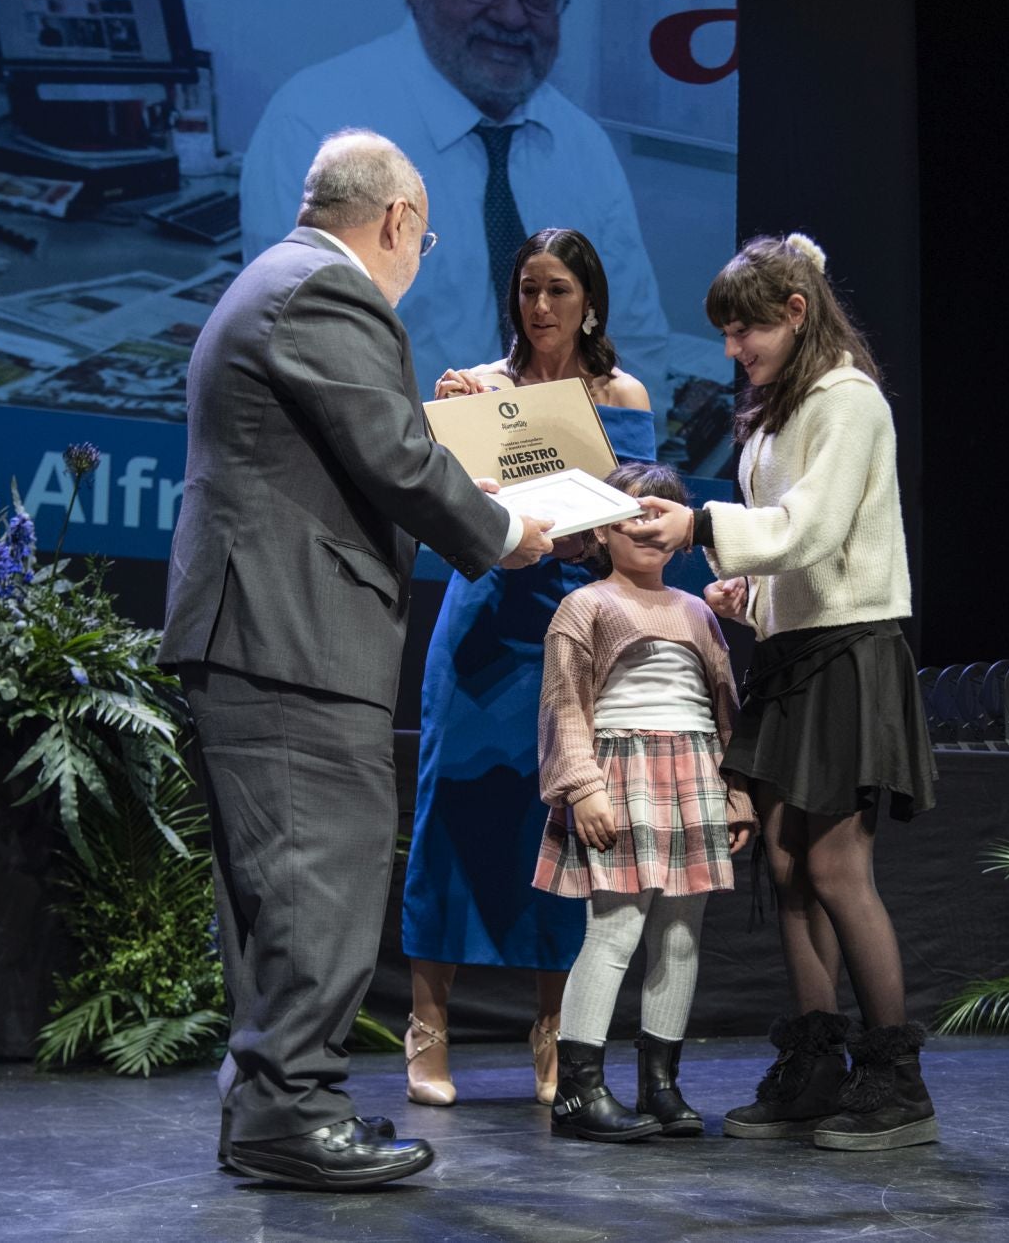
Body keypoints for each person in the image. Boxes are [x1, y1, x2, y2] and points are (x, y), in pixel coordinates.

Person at [159, 129, 555, 1191]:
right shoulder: (328, 294)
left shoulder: (279, 285)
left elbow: (355, 437)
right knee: (313, 875)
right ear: (396, 222)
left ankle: (273, 1106)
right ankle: (292, 1106)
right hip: (289, 635)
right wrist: (505, 530)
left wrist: (440, 432)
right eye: (420, 247)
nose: (415, 267)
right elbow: (390, 457)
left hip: (265, 631)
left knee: (280, 884)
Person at [625, 233, 940, 1152]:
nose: (732, 348)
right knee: (786, 863)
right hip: (795, 651)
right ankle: (815, 1064)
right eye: (725, 333)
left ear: (795, 313)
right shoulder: (777, 409)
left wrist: (701, 525)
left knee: (838, 867)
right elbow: (790, 554)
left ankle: (897, 1083)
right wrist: (748, 596)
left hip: (850, 654)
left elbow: (814, 527)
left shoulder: (849, 401)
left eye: (743, 330)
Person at [401, 227, 655, 1108]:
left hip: (569, 621)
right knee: (450, 813)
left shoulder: (622, 392)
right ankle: (427, 1030)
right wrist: (448, 430)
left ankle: (555, 1033)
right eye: (528, 292)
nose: (540, 308)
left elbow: (636, 508)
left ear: (590, 303)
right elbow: (440, 503)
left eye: (558, 292)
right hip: (483, 618)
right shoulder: (481, 388)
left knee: (560, 829)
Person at [238, 0, 673, 418]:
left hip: (565, 472)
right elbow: (304, 350)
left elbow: (635, 339)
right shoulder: (310, 122)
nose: (511, 15)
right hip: (390, 472)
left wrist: (617, 471)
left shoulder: (584, 145)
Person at [533, 462, 755, 1142]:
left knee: (681, 937)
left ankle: (660, 1083)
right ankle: (579, 1091)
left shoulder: (695, 613)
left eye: (664, 514)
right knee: (616, 930)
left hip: (692, 776)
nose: (648, 526)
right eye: (633, 512)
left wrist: (737, 792)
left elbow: (725, 707)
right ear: (600, 528)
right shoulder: (586, 605)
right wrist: (584, 788)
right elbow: (564, 707)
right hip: (621, 777)